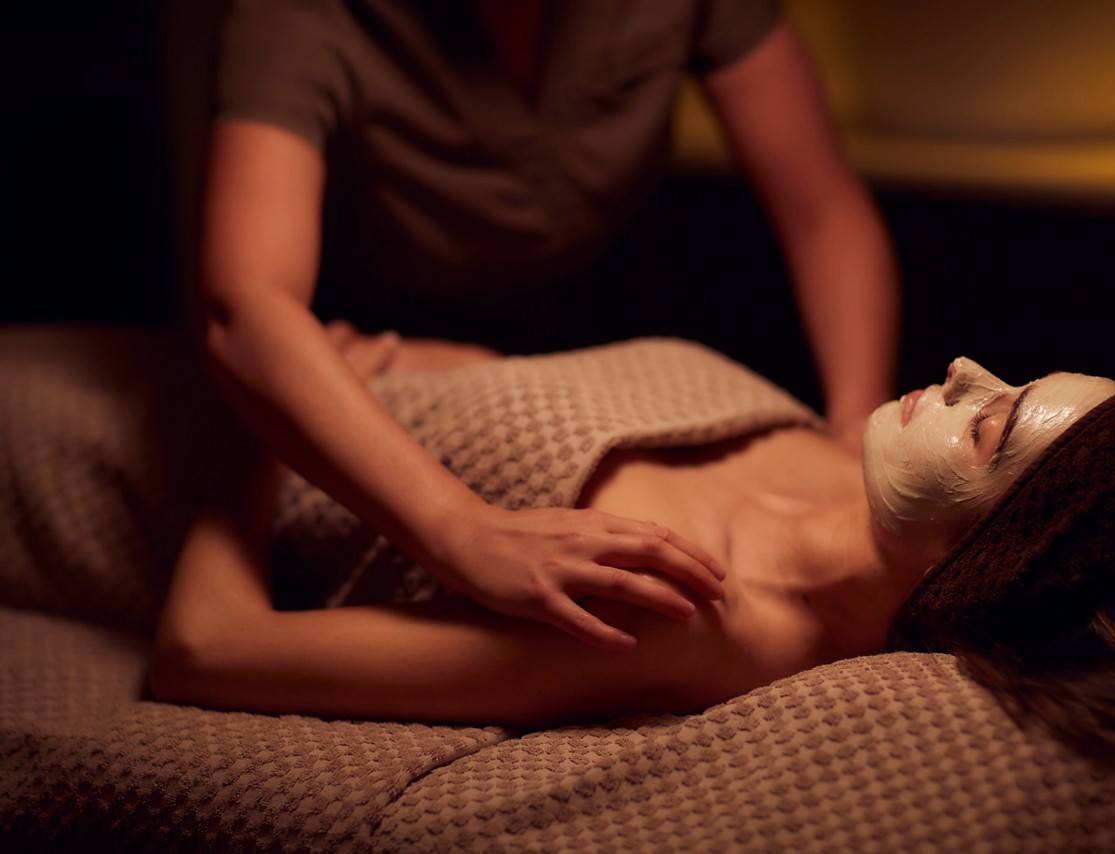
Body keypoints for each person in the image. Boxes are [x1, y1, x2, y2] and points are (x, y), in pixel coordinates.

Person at [150, 326, 1115, 830]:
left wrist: (268, 420)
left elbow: (205, 650)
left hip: (180, 445)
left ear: (984, 558)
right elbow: (555, 400)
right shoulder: (845, 455)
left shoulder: (676, 611)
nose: (959, 370)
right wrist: (392, 365)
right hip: (310, 365)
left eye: (988, 427)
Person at [195, 0, 900, 651]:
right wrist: (461, 533)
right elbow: (247, 303)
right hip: (411, 356)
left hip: (642, 335)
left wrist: (853, 432)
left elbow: (823, 212)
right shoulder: (298, 18)